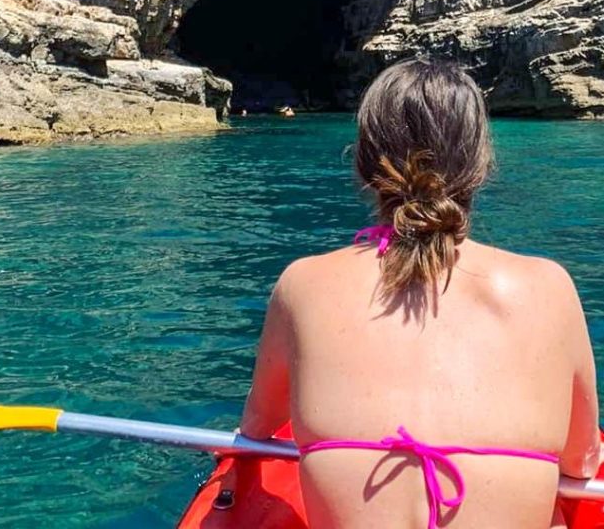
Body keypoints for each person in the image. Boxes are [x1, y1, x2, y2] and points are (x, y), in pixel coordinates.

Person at [241, 58, 599, 529]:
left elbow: (256, 431)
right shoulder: (547, 289)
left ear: (365, 164)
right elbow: (583, 462)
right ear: (479, 164)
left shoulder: (302, 284)